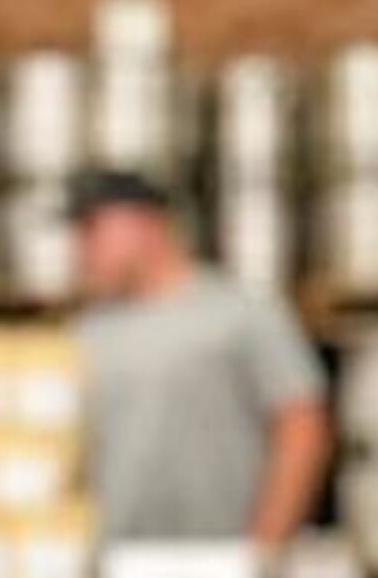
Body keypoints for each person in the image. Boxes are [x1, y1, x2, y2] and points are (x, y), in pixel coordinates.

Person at [61, 167, 331, 551]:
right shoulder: (87, 332)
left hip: (219, 558)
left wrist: (265, 547)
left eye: (90, 230)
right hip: (116, 561)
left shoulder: (241, 313)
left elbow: (303, 427)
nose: (80, 248)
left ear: (146, 224)